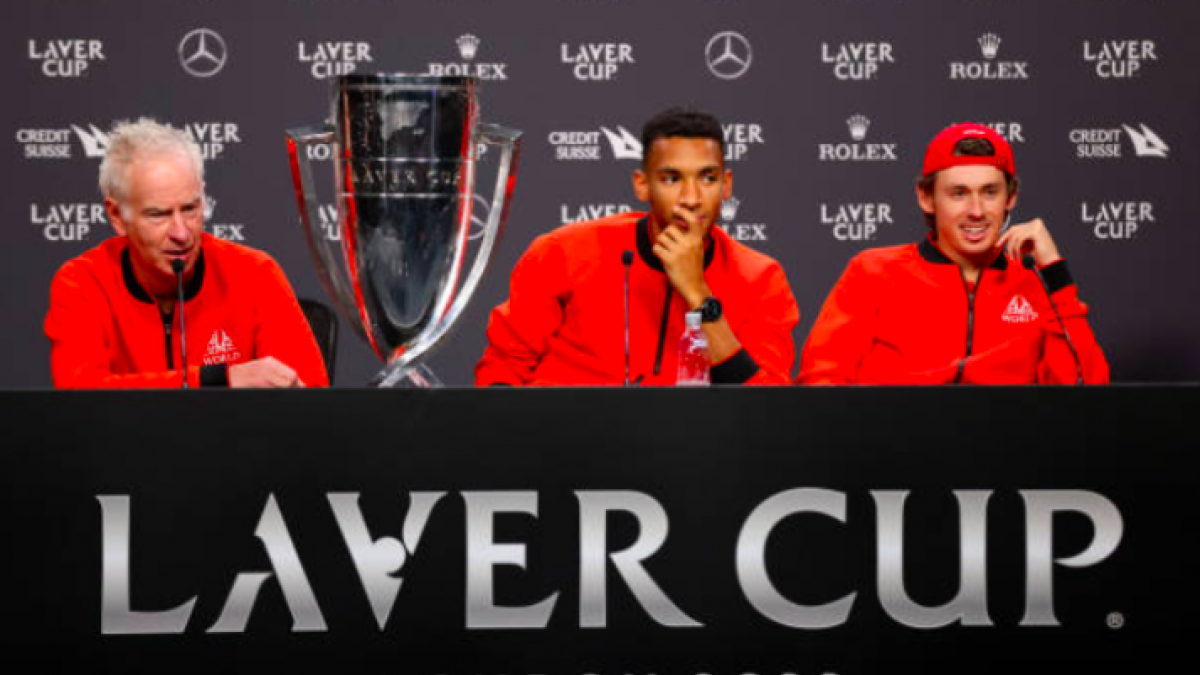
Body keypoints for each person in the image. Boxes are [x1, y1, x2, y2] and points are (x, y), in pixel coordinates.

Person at [476, 107, 799, 386]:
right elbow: (502, 370)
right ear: (642, 185)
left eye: (707, 178)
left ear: (726, 185)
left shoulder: (761, 278)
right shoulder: (563, 252)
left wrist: (699, 294)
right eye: (672, 179)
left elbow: (765, 407)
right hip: (566, 446)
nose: (691, 198)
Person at [799, 122, 1109, 385]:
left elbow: (1084, 394)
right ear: (927, 198)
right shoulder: (874, 271)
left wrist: (1055, 274)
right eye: (958, 194)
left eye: (990, 192)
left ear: (1010, 198)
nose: (976, 211)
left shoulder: (1035, 282)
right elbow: (822, 383)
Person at [45, 118, 328, 388]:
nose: (181, 233)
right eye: (159, 215)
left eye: (191, 209)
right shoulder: (82, 283)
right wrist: (219, 379)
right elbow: (79, 393)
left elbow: (310, 392)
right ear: (117, 215)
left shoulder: (254, 273)